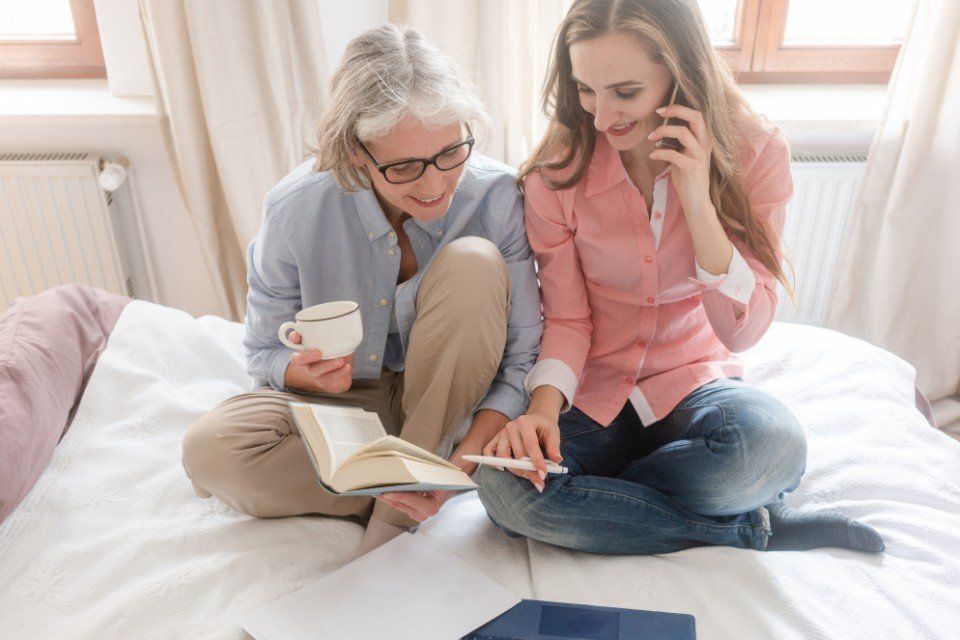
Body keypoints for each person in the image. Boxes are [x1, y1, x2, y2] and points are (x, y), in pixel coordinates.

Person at [476, 0, 884, 555]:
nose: (600, 117)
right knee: (503, 487)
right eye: (585, 90)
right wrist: (542, 412)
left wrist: (696, 195)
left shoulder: (756, 151)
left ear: (679, 71)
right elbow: (568, 317)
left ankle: (604, 503)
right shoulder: (560, 166)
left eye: (625, 92)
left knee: (769, 451)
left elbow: (741, 331)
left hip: (693, 383)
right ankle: (744, 527)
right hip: (592, 392)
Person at [181, 24, 542, 556]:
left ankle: (399, 507)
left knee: (473, 261)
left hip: (452, 398)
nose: (435, 183)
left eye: (451, 151)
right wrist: (296, 370)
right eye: (403, 166)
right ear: (354, 152)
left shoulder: (495, 196)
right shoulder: (295, 209)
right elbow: (263, 352)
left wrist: (463, 459)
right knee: (212, 451)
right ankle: (414, 478)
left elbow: (519, 364)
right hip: (343, 410)